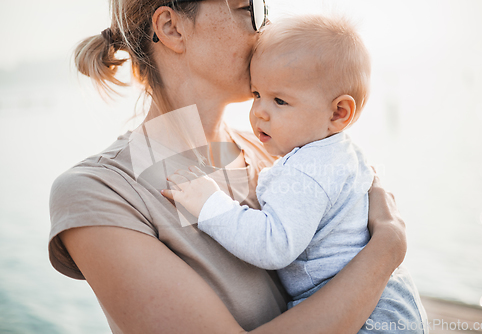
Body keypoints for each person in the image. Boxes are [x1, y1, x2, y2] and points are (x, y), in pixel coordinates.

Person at [48, 0, 409, 333]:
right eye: (248, 8)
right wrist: (385, 252)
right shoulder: (100, 191)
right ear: (172, 28)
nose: (266, 26)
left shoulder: (284, 151)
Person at [161, 15, 428, 333]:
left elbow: (275, 244)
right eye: (257, 94)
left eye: (280, 100)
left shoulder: (307, 172)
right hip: (384, 303)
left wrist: (209, 205)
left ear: (338, 113)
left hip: (370, 318)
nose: (259, 110)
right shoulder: (334, 154)